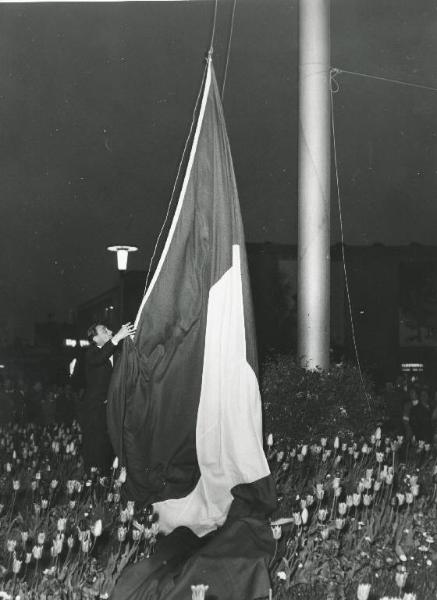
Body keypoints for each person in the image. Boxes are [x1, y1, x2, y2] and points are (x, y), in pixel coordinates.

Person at [82, 321, 135, 475]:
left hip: (111, 410)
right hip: (95, 412)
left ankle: (108, 484)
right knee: (95, 451)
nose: (110, 331)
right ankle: (92, 486)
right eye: (104, 330)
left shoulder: (115, 352)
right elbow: (100, 358)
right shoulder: (91, 353)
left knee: (109, 449)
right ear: (95, 339)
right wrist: (118, 336)